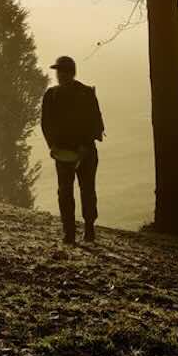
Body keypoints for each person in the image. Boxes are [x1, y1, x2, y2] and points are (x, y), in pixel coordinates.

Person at [41, 55, 105, 244]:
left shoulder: (85, 93)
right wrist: (52, 146)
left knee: (86, 191)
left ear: (71, 73)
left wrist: (84, 147)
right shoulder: (51, 95)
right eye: (59, 72)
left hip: (85, 152)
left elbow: (95, 123)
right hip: (64, 153)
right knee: (66, 192)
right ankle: (69, 232)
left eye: (63, 71)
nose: (60, 75)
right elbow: (46, 124)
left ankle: (89, 229)